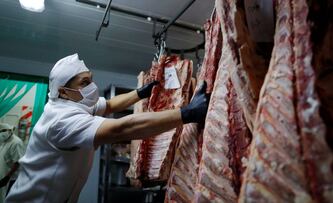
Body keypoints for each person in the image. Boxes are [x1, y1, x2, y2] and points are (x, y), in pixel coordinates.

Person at [6, 53, 210, 203]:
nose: (92, 87)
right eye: (85, 82)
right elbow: (120, 129)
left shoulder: (74, 103)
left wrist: (140, 93)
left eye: (91, 80)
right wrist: (187, 114)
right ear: (64, 92)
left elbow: (110, 105)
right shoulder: (61, 121)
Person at [0, 123, 25, 203]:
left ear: (10, 131)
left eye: (3, 131)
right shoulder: (4, 141)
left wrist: (7, 177)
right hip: (3, 174)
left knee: (6, 197)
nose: (1, 133)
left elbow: (17, 162)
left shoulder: (16, 143)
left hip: (10, 178)